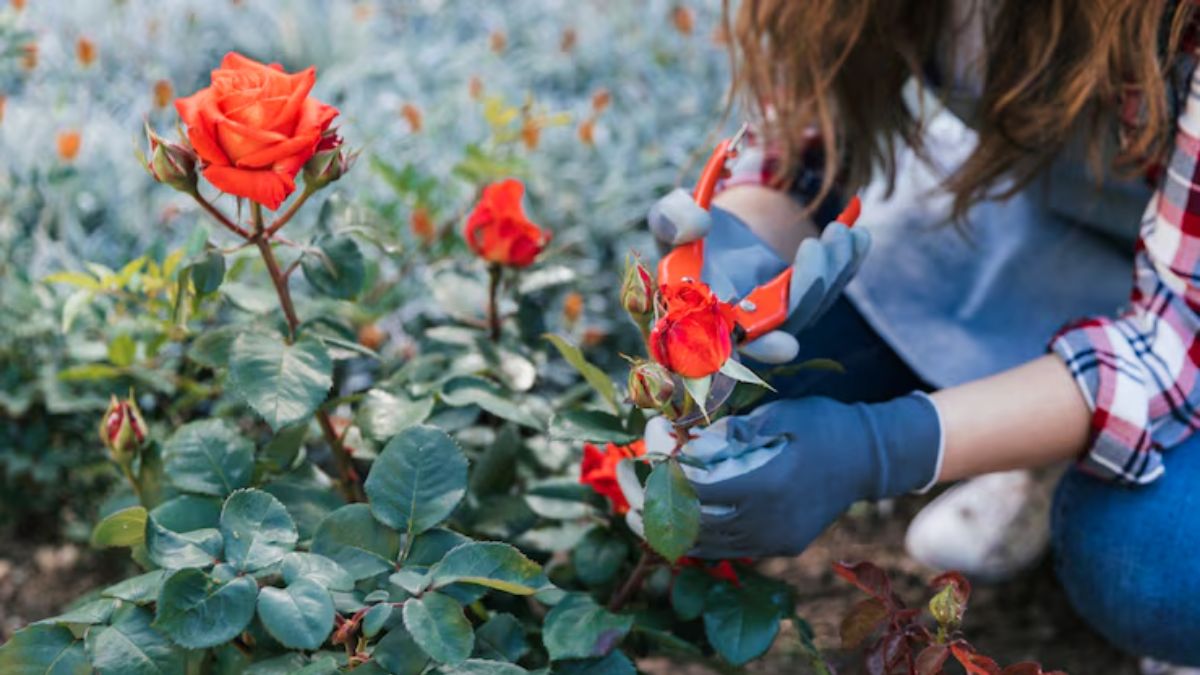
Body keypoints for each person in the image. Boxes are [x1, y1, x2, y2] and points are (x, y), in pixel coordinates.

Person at [637, 0, 1200, 670]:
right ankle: (1042, 437)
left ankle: (1059, 450)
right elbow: (806, 132)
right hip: (1053, 221)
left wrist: (883, 446)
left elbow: (1179, 334)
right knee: (761, 388)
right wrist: (739, 246)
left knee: (1154, 561)